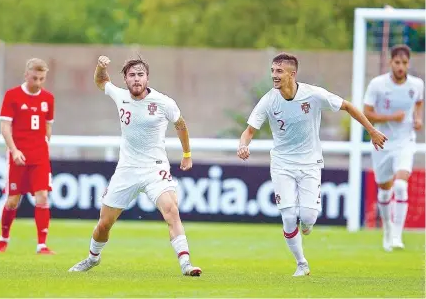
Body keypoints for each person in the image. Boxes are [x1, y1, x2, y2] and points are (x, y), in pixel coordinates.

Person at [237, 52, 387, 276]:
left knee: (307, 218)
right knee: (288, 216)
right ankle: (301, 264)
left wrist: (372, 131)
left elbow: (347, 106)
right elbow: (249, 131)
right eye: (272, 71)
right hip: (282, 164)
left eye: (279, 71)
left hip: (310, 163)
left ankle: (306, 224)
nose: (274, 76)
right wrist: (243, 145)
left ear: (292, 74)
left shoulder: (314, 95)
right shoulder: (269, 100)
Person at [68, 56, 202, 276]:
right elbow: (101, 82)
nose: (137, 79)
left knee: (171, 210)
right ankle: (92, 258)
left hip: (155, 168)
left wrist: (187, 154)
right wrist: (101, 67)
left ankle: (186, 263)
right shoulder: (120, 96)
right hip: (126, 170)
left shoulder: (163, 102)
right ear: (125, 79)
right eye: (132, 75)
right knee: (104, 224)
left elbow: (181, 124)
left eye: (141, 75)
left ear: (147, 78)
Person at [363, 44, 424, 252]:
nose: (400, 67)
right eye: (397, 62)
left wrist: (417, 119)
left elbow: (418, 103)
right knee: (384, 191)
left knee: (400, 186)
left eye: (404, 63)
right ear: (391, 62)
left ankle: (397, 235)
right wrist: (391, 117)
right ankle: (387, 229)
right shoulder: (377, 85)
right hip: (382, 142)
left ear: (408, 64)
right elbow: (366, 113)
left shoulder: (416, 84)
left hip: (405, 142)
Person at [0, 58, 55, 254]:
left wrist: (44, 148)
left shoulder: (48, 99)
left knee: (42, 196)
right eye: (34, 78)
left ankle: (42, 245)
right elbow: (5, 128)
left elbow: (48, 128)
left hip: (39, 157)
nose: (38, 82)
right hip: (18, 155)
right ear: (26, 74)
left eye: (41, 79)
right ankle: (3, 238)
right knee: (13, 200)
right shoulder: (12, 96)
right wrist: (14, 150)